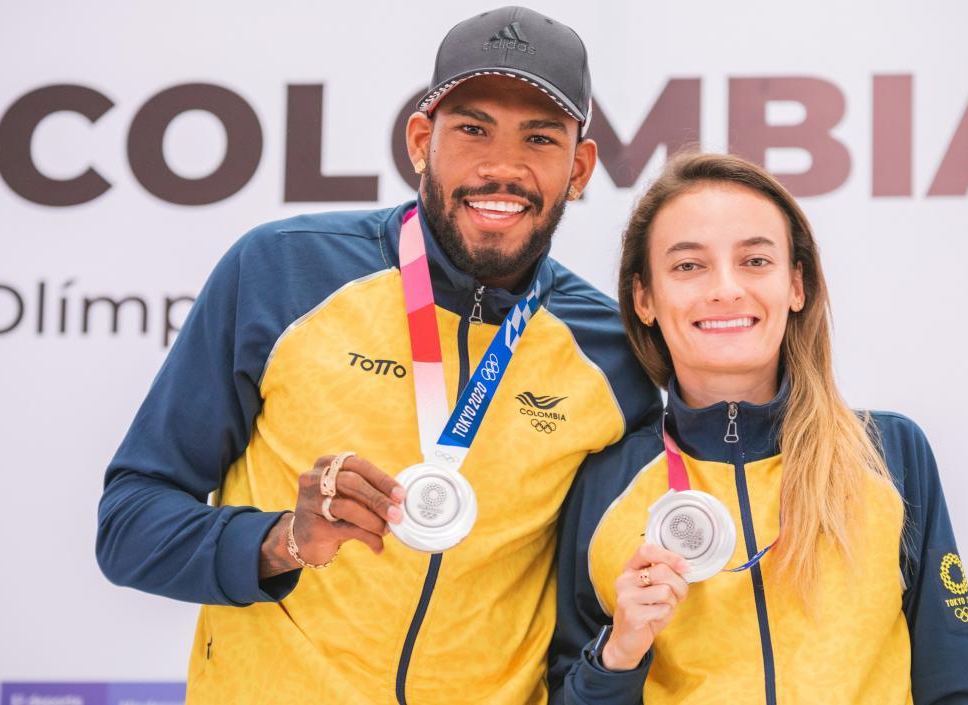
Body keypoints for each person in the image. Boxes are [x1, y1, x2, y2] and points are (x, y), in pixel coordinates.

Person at [95, 7, 659, 704]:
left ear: (578, 169)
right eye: (472, 129)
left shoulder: (612, 357)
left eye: (540, 138)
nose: (502, 167)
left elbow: (590, 609)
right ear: (421, 140)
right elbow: (128, 524)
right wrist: (281, 540)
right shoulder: (282, 272)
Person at [548, 152, 968, 704]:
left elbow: (959, 685)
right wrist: (619, 654)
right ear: (644, 297)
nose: (725, 289)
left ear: (796, 285)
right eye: (688, 266)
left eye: (755, 261)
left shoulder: (888, 454)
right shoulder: (604, 478)